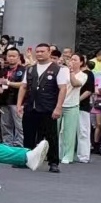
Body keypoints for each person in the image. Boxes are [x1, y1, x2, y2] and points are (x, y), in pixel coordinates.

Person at [17, 43, 68, 172]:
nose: (39, 54)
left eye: (42, 51)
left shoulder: (58, 69)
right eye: (37, 51)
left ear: (49, 53)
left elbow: (62, 89)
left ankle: (53, 162)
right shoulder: (30, 69)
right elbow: (23, 87)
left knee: (50, 135)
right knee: (28, 134)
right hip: (30, 106)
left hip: (48, 107)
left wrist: (58, 107)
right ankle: (26, 159)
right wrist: (19, 104)